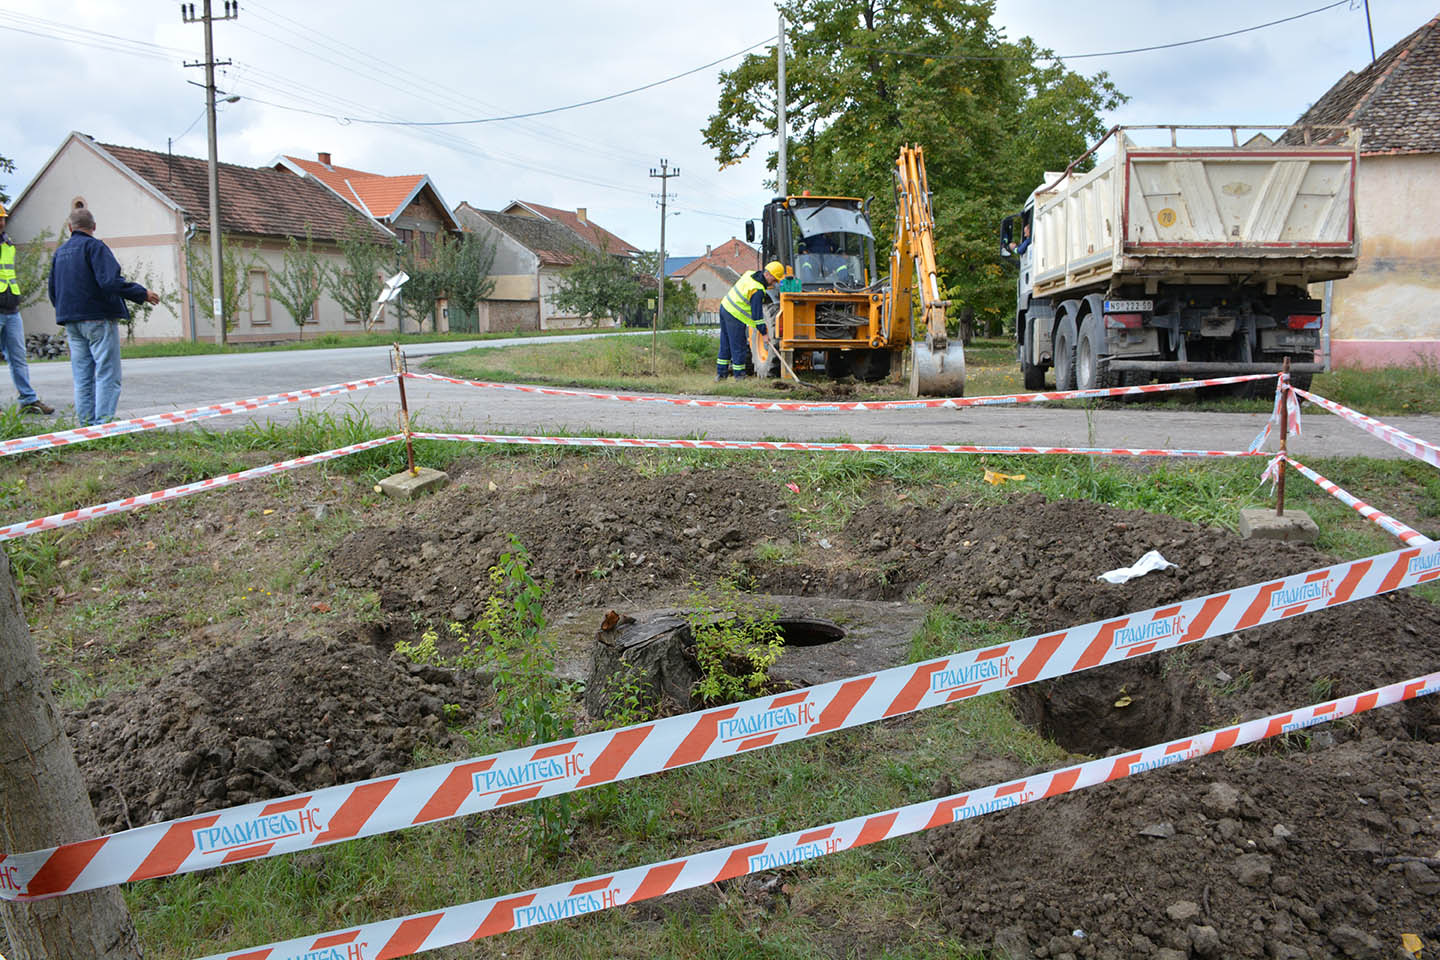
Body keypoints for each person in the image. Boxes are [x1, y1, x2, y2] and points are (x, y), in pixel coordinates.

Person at [48, 207, 159, 425]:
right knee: (107, 374)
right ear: (94, 227)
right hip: (98, 318)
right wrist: (141, 293)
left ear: (70, 228)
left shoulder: (59, 253)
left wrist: (67, 311)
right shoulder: (95, 247)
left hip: (71, 320)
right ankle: (103, 424)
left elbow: (53, 290)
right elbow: (109, 281)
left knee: (82, 377)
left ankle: (85, 425)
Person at [0, 203, 55, 414]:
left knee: (18, 357)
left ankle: (28, 400)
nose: (2, 222)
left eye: (3, 218)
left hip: (11, 308)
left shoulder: (8, 244)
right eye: (0, 218)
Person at [717, 260, 783, 380]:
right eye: (774, 280)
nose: (774, 283)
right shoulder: (757, 290)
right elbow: (757, 317)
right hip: (734, 313)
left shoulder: (749, 274)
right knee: (739, 345)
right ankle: (739, 376)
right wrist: (764, 333)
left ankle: (721, 375)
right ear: (767, 274)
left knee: (725, 342)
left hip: (725, 306)